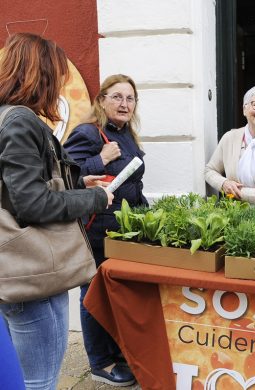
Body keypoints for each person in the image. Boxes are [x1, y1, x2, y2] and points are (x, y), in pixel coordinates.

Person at [0, 33, 113, 389]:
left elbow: (18, 190)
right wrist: (95, 199)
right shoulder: (20, 121)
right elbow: (31, 203)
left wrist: (79, 185)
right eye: (56, 76)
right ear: (40, 75)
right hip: (32, 274)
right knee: (40, 381)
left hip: (19, 270)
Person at [64, 74, 147, 386]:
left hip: (125, 231)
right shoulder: (87, 133)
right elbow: (64, 178)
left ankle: (116, 352)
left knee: (116, 296)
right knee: (94, 293)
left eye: (130, 98)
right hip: (97, 230)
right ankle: (101, 362)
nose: (124, 103)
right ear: (101, 100)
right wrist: (99, 159)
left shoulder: (128, 134)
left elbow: (134, 184)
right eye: (117, 97)